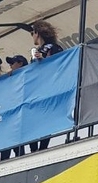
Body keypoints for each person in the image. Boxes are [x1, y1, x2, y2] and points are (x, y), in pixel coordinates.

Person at [28, 20, 63, 151]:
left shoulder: (54, 47)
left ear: (37, 33)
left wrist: (46, 59)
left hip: (48, 89)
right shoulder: (37, 50)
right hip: (36, 91)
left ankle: (42, 148)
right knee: (33, 121)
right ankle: (33, 150)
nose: (32, 36)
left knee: (45, 119)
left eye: (32, 33)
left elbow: (61, 63)